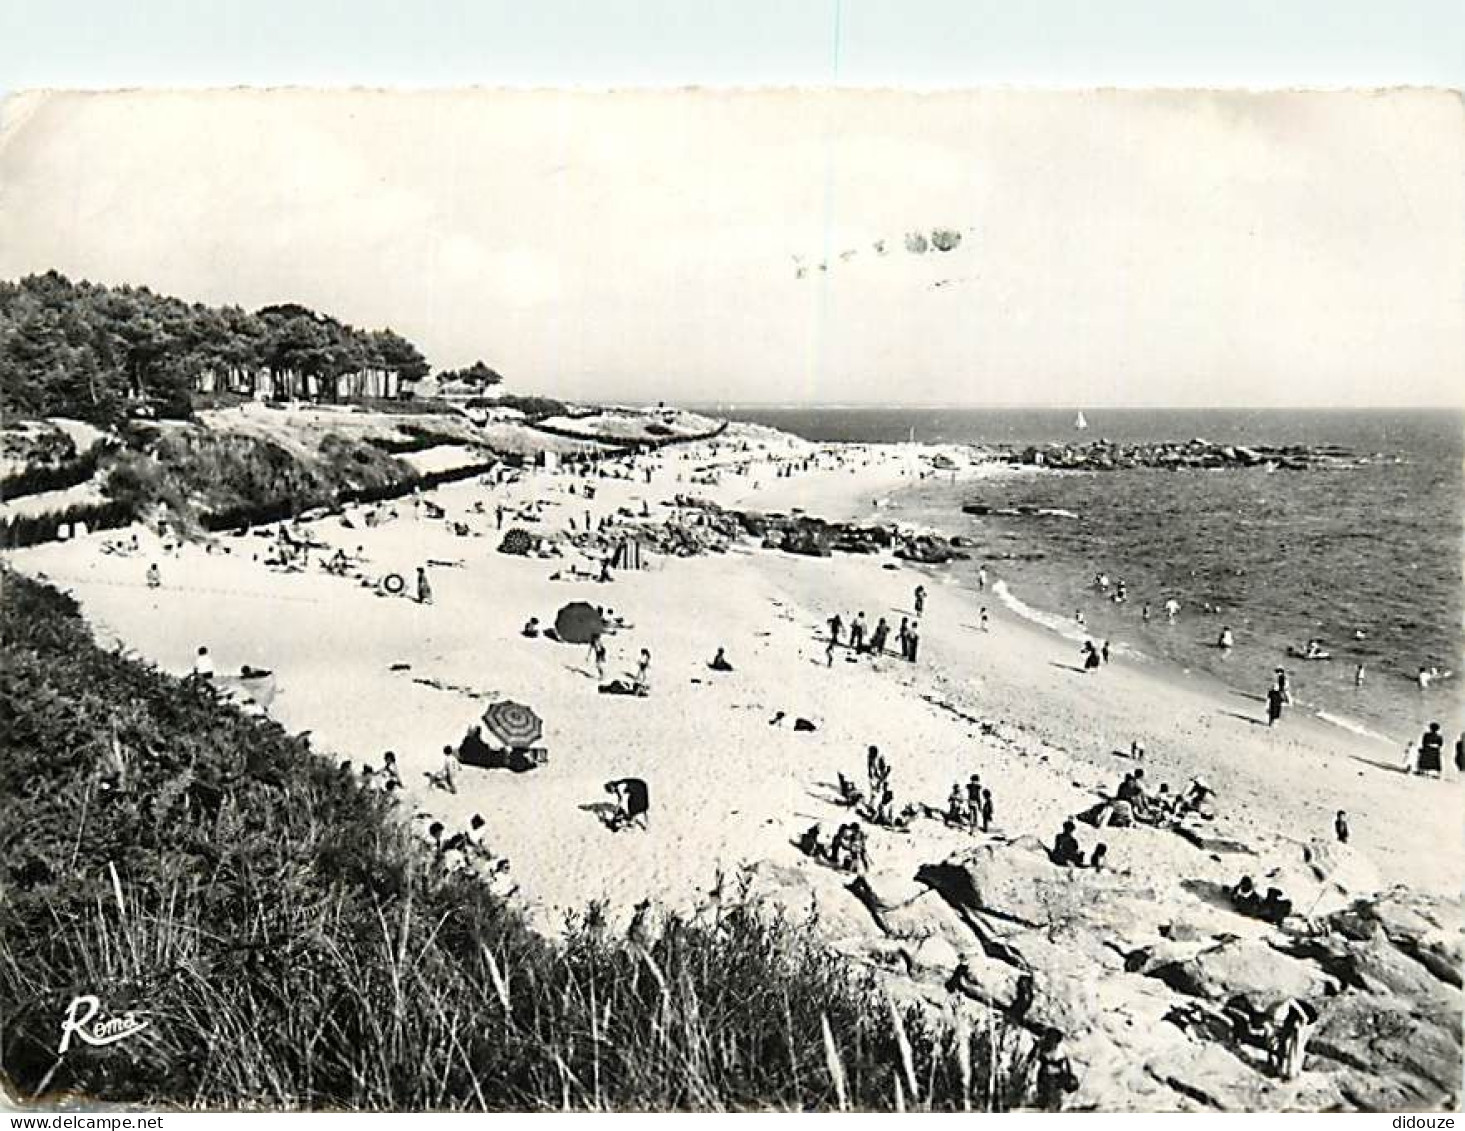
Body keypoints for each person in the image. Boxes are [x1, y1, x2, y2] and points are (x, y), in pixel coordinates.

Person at [1269, 998, 1318, 1081]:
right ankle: (1283, 1068)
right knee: (1284, 1043)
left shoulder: (1297, 1015)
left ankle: (1294, 1072)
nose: (1278, 1024)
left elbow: (1297, 1044)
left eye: (1279, 1022)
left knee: (1296, 1047)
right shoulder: (1275, 1010)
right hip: (1295, 1018)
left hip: (1307, 1022)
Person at [1032, 1028, 1080, 1111]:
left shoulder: (1062, 1050)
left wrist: (1069, 1077)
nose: (1051, 1041)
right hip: (1045, 1077)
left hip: (1057, 1078)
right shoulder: (1041, 1048)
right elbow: (1035, 1063)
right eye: (1049, 1038)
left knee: (1055, 1099)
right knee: (1046, 1099)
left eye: (1053, 1039)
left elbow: (1068, 1065)